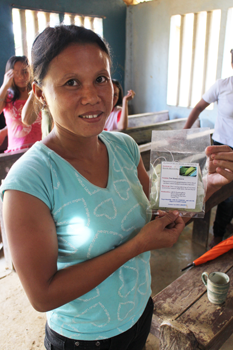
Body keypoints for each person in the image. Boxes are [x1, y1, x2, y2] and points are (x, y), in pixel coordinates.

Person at [1, 25, 233, 350]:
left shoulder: (123, 147)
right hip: (84, 338)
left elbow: (161, 215)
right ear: (40, 94)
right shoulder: (29, 183)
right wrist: (135, 246)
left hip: (139, 313)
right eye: (71, 82)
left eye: (101, 78)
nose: (93, 96)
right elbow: (42, 295)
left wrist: (205, 185)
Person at [183, 49, 233, 248]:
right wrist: (185, 132)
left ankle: (220, 230)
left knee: (230, 198)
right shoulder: (223, 85)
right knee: (221, 193)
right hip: (220, 147)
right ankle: (217, 235)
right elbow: (198, 107)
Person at [0, 56, 42, 152]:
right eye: (16, 73)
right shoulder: (7, 96)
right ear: (8, 75)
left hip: (40, 150)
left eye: (25, 72)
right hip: (16, 152)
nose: (21, 77)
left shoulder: (37, 93)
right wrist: (5, 85)